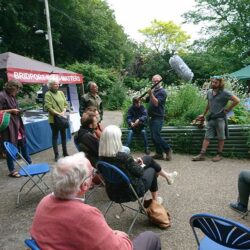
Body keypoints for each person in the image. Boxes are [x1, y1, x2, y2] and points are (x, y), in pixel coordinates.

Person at [30, 152, 161, 250]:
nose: (94, 176)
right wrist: (120, 236)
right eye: (92, 173)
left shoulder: (45, 201)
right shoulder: (86, 215)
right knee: (151, 237)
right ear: (84, 186)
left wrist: (109, 234)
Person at [99, 125, 178, 203]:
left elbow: (121, 169)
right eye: (119, 138)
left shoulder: (101, 158)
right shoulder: (123, 157)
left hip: (113, 193)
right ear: (115, 141)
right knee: (152, 170)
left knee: (148, 159)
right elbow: (139, 173)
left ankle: (168, 176)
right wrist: (137, 164)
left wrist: (133, 163)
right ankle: (155, 201)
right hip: (131, 192)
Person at [192, 77, 240, 162]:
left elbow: (237, 100)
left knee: (221, 137)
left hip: (221, 118)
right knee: (207, 136)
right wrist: (203, 115)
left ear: (220, 83)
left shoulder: (225, 93)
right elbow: (209, 104)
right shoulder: (209, 92)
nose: (213, 84)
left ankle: (219, 155)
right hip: (211, 117)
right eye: (212, 82)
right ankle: (202, 155)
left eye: (215, 82)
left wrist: (228, 109)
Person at [0, 80, 32, 177]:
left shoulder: (12, 95)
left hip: (17, 124)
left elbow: (15, 109)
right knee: (11, 147)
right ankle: (12, 171)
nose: (17, 91)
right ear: (11, 87)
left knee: (24, 144)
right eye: (16, 89)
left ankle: (29, 165)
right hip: (8, 126)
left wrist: (19, 111)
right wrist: (11, 110)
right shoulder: (1, 95)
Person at [146, 74, 172, 161]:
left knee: (156, 136)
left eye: (157, 81)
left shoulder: (162, 92)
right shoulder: (153, 90)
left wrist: (151, 94)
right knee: (153, 137)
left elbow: (156, 103)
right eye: (154, 81)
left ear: (161, 82)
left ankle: (167, 150)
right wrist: (140, 99)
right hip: (151, 117)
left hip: (158, 117)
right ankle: (159, 153)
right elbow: (147, 100)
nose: (156, 82)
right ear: (152, 81)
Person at [44, 79, 69, 161]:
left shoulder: (61, 93)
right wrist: (59, 114)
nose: (57, 85)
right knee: (55, 137)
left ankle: (65, 152)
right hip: (54, 119)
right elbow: (48, 107)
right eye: (55, 84)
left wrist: (63, 111)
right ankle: (56, 155)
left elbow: (65, 104)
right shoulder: (48, 94)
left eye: (58, 84)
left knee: (63, 135)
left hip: (62, 118)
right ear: (50, 85)